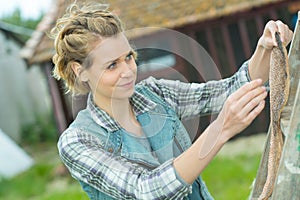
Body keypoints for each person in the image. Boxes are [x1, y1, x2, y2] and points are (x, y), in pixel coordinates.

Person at [51, 2, 293, 200]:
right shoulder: (78, 141)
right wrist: (221, 129)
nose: (127, 71)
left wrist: (265, 48)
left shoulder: (156, 94)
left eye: (129, 57)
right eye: (112, 65)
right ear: (79, 71)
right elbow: (146, 191)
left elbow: (231, 89)